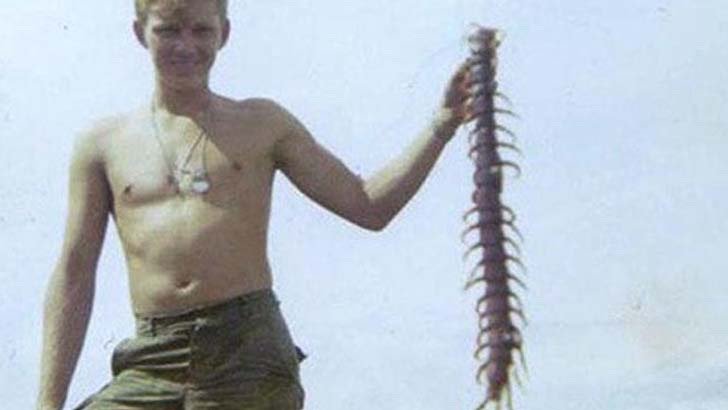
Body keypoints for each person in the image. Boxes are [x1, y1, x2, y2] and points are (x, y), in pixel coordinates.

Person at [36, 0, 472, 409]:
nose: (186, 45)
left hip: (246, 350)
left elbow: (369, 205)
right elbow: (75, 273)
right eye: (169, 30)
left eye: (201, 30)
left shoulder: (262, 123)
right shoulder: (102, 144)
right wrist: (47, 404)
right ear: (140, 32)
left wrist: (442, 124)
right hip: (151, 356)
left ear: (224, 33)